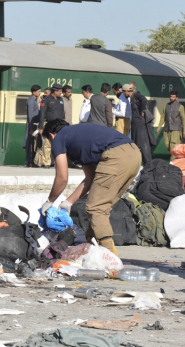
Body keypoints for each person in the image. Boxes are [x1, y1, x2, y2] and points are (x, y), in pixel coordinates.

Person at [40, 119, 141, 257]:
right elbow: (90, 178)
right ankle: (89, 251)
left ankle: (111, 259)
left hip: (116, 155)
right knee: (100, 206)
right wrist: (69, 202)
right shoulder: (78, 137)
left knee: (95, 207)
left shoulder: (59, 138)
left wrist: (50, 201)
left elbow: (62, 178)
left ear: (51, 135)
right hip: (133, 153)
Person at [37, 83, 65, 167]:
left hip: (59, 125)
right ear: (55, 91)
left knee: (58, 144)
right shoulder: (46, 100)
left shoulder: (61, 100)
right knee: (47, 143)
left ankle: (57, 162)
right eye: (60, 91)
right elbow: (42, 113)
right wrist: (41, 127)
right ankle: (47, 163)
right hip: (49, 124)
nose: (61, 92)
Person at [127, 83, 156, 164]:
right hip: (135, 125)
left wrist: (142, 111)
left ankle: (148, 165)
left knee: (143, 145)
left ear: (134, 89)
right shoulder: (131, 99)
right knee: (138, 145)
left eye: (131, 88)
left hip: (140, 125)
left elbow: (144, 99)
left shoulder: (136, 96)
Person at [156, 90, 185, 158]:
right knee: (167, 145)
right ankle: (177, 157)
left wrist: (184, 130)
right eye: (170, 96)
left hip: (176, 130)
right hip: (167, 129)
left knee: (173, 147)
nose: (171, 98)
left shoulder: (180, 107)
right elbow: (163, 117)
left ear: (176, 98)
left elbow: (183, 119)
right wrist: (159, 127)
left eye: (173, 97)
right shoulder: (167, 105)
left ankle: (172, 163)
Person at [24, 85, 41, 167]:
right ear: (34, 92)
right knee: (30, 143)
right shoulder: (31, 101)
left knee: (33, 143)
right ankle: (29, 161)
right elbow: (30, 115)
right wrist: (31, 128)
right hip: (32, 124)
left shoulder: (34, 100)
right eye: (38, 91)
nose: (40, 93)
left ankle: (31, 161)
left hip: (34, 124)